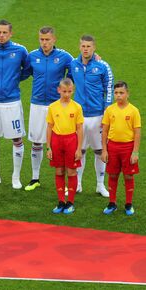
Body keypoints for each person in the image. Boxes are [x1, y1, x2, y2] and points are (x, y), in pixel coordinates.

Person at [0, 19, 31, 189]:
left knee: (17, 139)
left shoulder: (20, 50)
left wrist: (15, 80)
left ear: (10, 33)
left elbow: (28, 69)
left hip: (12, 102)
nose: (1, 36)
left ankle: (15, 177)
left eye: (5, 33)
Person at [24, 26, 73, 191]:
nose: (44, 43)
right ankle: (35, 178)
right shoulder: (32, 56)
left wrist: (94, 57)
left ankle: (64, 182)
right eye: (42, 39)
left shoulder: (64, 56)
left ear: (54, 39)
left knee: (61, 144)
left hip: (56, 105)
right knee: (36, 141)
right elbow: (25, 72)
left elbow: (76, 69)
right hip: (37, 104)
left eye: (47, 40)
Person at [70, 35, 113, 197]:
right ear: (79, 47)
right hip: (79, 117)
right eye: (83, 46)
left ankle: (100, 185)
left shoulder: (103, 66)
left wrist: (107, 113)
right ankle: (78, 184)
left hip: (97, 116)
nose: (85, 48)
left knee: (100, 150)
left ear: (94, 47)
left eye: (88, 46)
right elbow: (66, 83)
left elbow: (109, 89)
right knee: (79, 150)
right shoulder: (73, 64)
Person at [101, 81, 141, 215]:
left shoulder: (134, 111)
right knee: (112, 174)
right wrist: (104, 150)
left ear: (127, 94)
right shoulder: (110, 110)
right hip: (112, 147)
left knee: (128, 176)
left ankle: (128, 204)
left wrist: (135, 152)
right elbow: (105, 131)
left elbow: (137, 133)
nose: (118, 95)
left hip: (128, 148)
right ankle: (112, 203)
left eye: (121, 93)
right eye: (116, 93)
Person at [46, 78, 83, 214]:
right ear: (59, 90)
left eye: (69, 91)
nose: (67, 94)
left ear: (73, 91)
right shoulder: (52, 107)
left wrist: (79, 148)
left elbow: (79, 129)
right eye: (64, 91)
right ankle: (61, 201)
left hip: (71, 141)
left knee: (71, 171)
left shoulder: (77, 107)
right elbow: (49, 127)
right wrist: (48, 147)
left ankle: (70, 202)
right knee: (59, 171)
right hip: (56, 141)